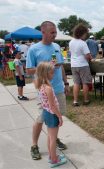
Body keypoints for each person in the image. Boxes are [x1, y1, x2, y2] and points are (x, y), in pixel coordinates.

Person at [26, 21, 69, 160]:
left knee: (57, 116)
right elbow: (29, 70)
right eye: (52, 32)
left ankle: (53, 138)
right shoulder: (34, 49)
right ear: (43, 32)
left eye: (55, 32)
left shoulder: (56, 46)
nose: (54, 35)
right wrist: (45, 67)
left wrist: (66, 82)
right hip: (44, 90)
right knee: (41, 118)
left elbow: (60, 66)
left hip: (58, 88)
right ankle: (34, 145)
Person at [35, 62, 67, 167]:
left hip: (46, 113)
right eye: (52, 73)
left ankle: (51, 156)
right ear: (46, 73)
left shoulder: (41, 86)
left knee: (50, 136)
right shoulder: (48, 88)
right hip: (52, 114)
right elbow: (53, 106)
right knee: (53, 138)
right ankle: (54, 159)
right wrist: (59, 116)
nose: (53, 74)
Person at [69, 23, 93, 106]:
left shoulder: (71, 42)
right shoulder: (82, 43)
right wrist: (91, 58)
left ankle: (75, 101)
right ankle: (86, 100)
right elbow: (87, 56)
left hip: (73, 65)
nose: (86, 35)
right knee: (85, 83)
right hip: (82, 65)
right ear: (82, 33)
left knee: (76, 83)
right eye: (85, 34)